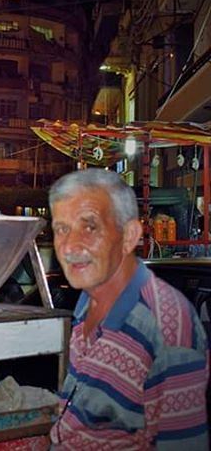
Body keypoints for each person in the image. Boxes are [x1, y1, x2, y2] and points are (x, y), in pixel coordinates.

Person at [48, 168, 208, 449]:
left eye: (90, 227)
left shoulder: (166, 324)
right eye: (62, 228)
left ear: (130, 235)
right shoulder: (86, 307)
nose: (70, 246)